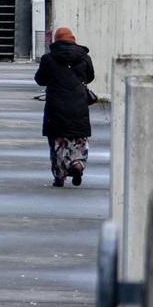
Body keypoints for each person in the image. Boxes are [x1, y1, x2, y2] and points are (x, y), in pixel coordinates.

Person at [35, 26, 95, 187]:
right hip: (79, 105)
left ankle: (60, 176)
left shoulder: (48, 58)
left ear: (56, 40)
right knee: (79, 138)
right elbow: (90, 77)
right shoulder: (84, 58)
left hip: (56, 105)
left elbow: (40, 79)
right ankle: (77, 164)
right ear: (73, 39)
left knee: (58, 141)